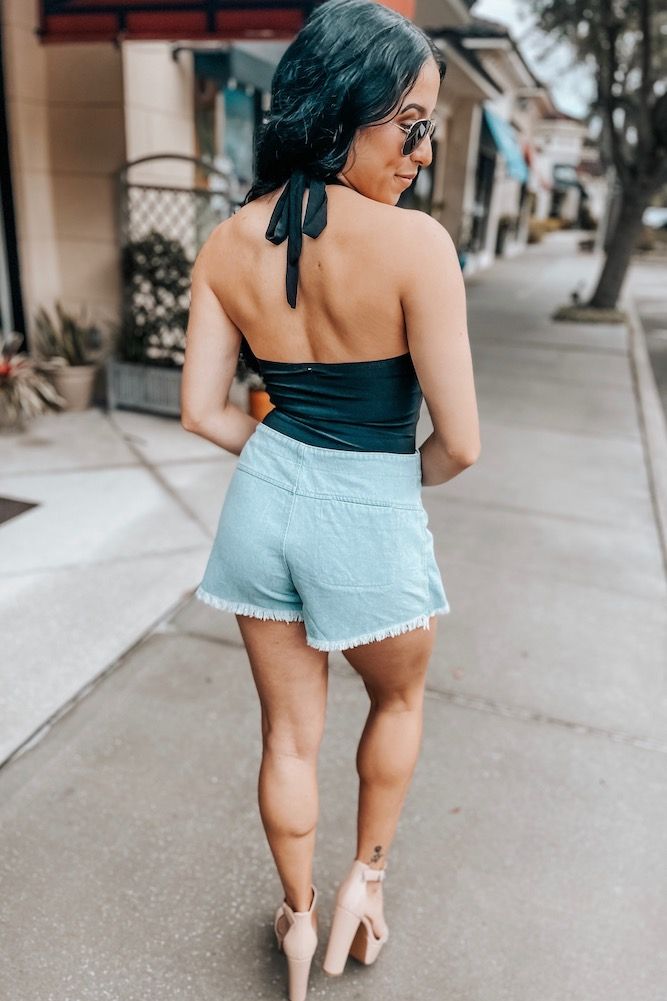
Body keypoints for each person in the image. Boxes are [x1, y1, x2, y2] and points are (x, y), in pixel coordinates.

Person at [180, 1, 480, 997]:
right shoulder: (415, 247)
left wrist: (283, 452)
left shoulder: (226, 243)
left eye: (427, 129)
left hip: (261, 505)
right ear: (341, 105)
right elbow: (460, 444)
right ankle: (364, 882)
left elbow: (201, 412)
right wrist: (385, 477)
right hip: (368, 512)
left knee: (286, 735)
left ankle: (299, 918)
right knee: (396, 695)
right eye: (408, 125)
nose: (421, 153)